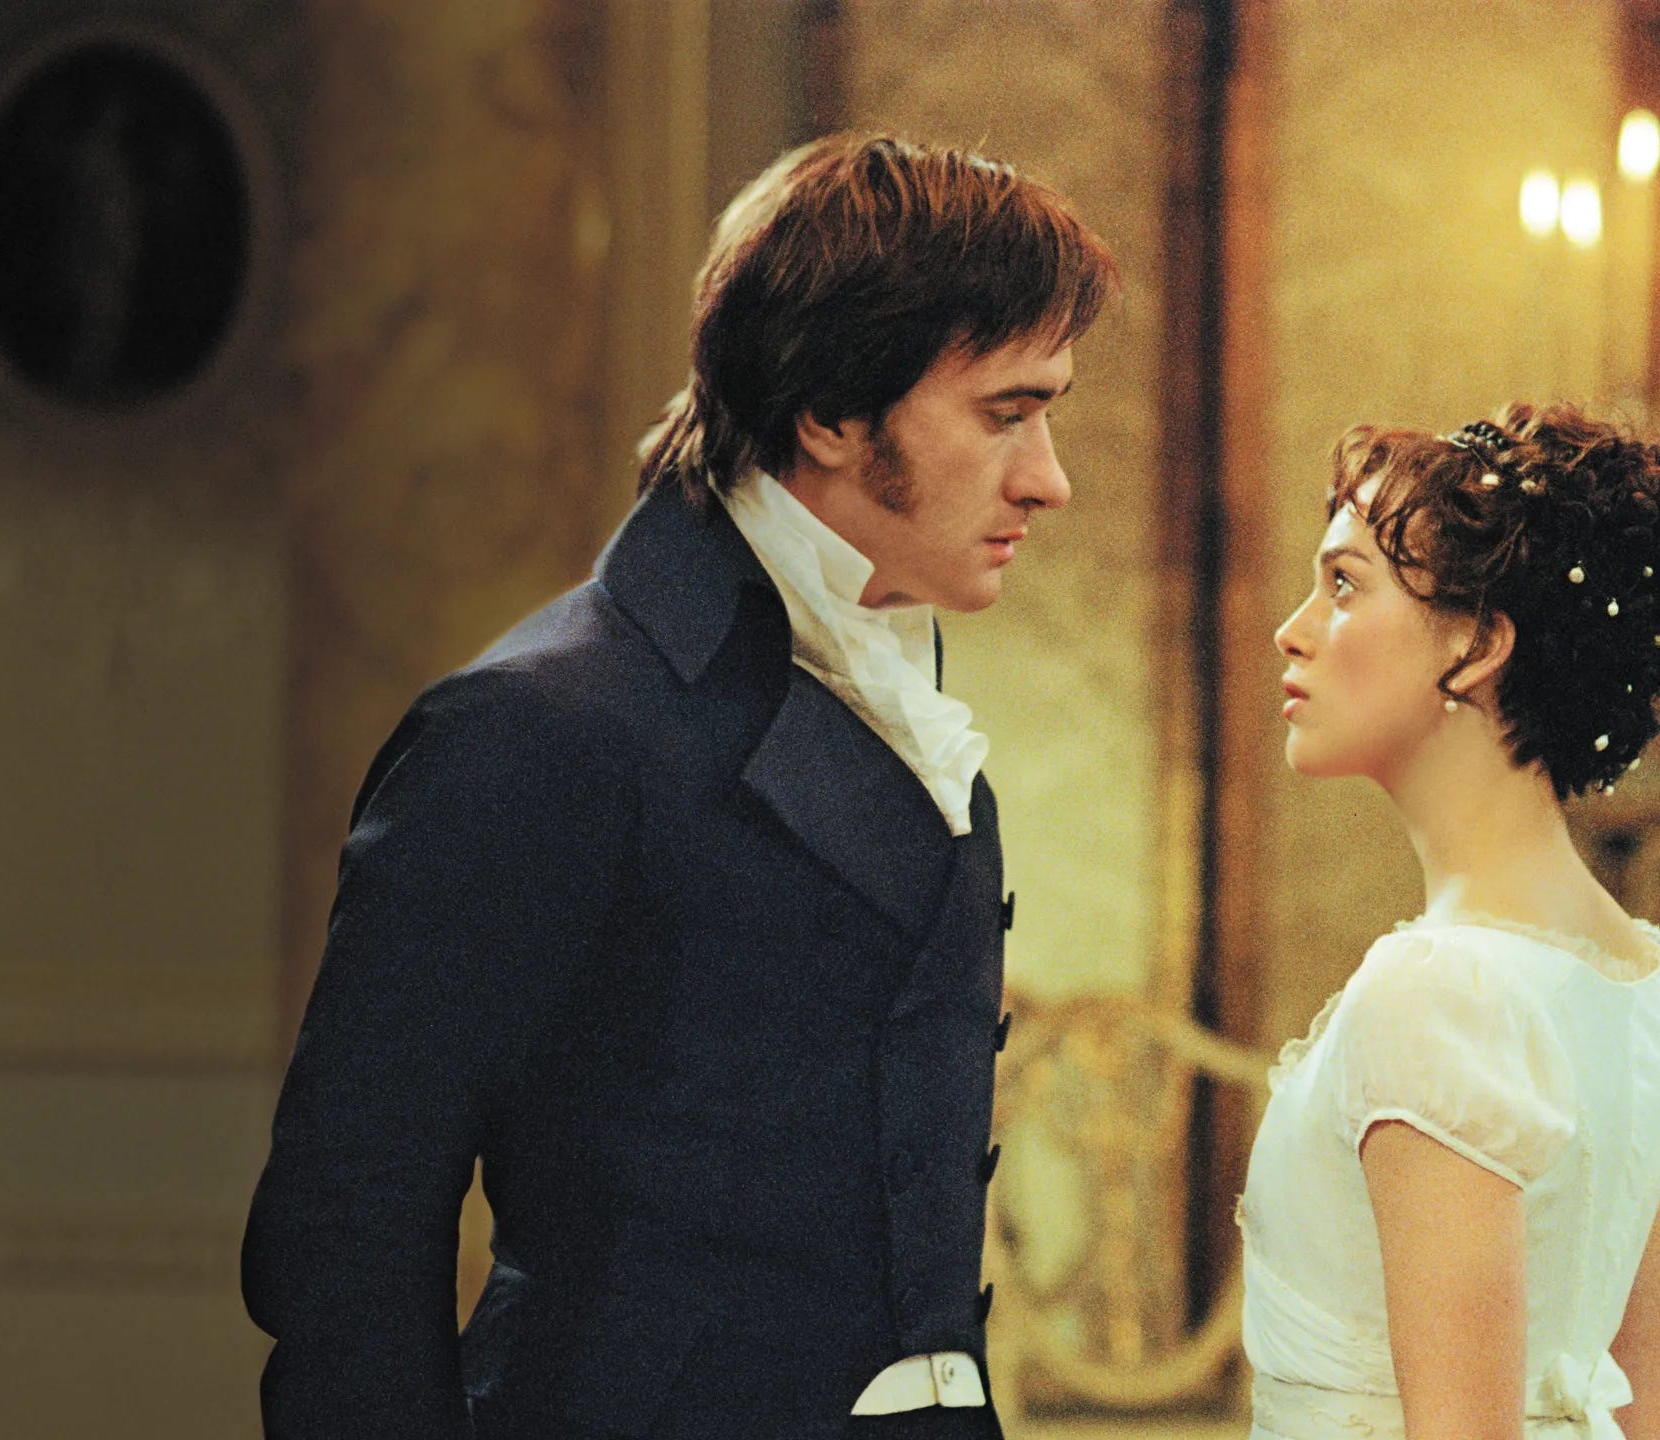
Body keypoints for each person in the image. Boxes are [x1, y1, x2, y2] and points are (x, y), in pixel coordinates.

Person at [240, 133, 1117, 1440]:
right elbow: (346, 1234)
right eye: (1005, 414)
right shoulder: (540, 728)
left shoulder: (901, 700)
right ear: (830, 413)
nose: (1050, 479)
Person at [1242, 404, 1660, 1440]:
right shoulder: (1649, 993)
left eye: (1344, 584)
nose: (1293, 629)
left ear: (1475, 643)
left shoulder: (1434, 992)